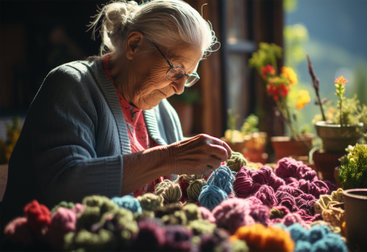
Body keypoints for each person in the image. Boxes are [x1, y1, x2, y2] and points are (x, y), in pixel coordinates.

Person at [0, 0, 231, 228]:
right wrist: (169, 157)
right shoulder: (71, 85)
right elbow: (65, 189)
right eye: (176, 70)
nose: (180, 88)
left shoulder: (163, 111)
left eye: (189, 76)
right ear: (134, 45)